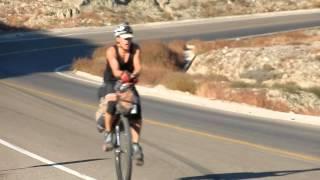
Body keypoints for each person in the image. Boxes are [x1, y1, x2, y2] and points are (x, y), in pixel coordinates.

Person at [96, 22, 144, 165]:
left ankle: (135, 145)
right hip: (111, 81)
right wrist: (123, 75)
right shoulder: (111, 51)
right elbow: (115, 70)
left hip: (128, 80)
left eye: (129, 38)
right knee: (111, 102)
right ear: (117, 38)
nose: (127, 41)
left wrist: (134, 75)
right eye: (124, 38)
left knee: (136, 110)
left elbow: (138, 67)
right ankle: (109, 134)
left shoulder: (135, 49)